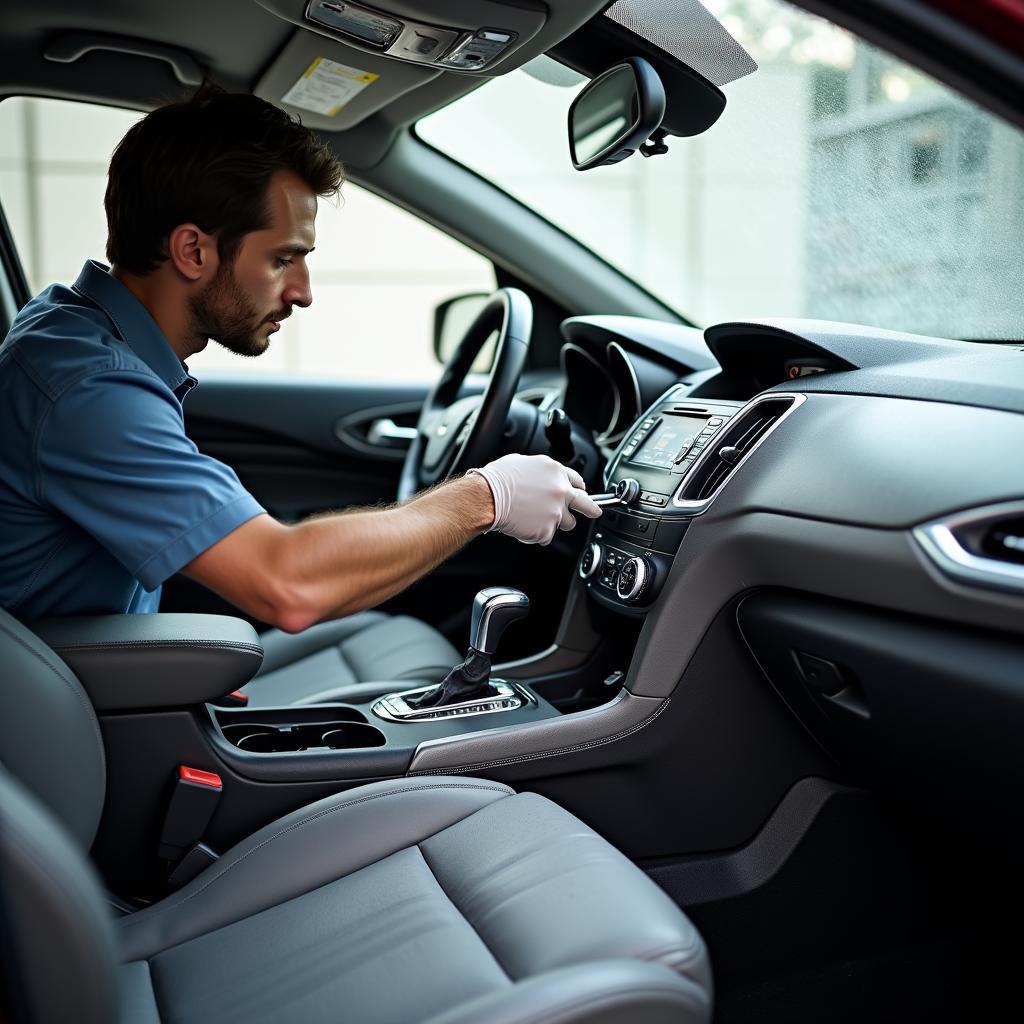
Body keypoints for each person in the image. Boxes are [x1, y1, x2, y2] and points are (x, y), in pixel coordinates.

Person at [0, 85, 600, 631]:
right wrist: (486, 496)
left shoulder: (67, 330)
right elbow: (288, 584)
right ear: (192, 251)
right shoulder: (90, 390)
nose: (303, 291)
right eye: (283, 259)